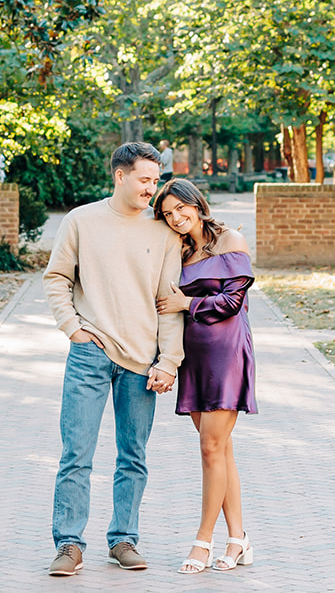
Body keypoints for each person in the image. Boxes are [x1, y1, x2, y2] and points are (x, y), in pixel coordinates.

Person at [44, 142, 184, 576]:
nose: (152, 188)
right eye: (144, 179)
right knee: (76, 454)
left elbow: (169, 301)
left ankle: (124, 539)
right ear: (120, 176)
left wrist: (169, 361)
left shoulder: (163, 232)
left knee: (133, 455)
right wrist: (73, 329)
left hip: (142, 361)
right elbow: (57, 278)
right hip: (91, 352)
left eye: (155, 180)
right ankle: (69, 545)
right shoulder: (81, 220)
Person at [153, 177, 257, 574]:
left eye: (181, 208)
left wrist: (186, 301)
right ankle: (239, 540)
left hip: (226, 352)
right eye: (168, 214)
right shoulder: (178, 250)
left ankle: (203, 541)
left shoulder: (230, 240)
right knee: (221, 449)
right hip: (193, 355)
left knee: (211, 449)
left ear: (197, 203)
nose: (177, 218)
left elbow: (233, 301)